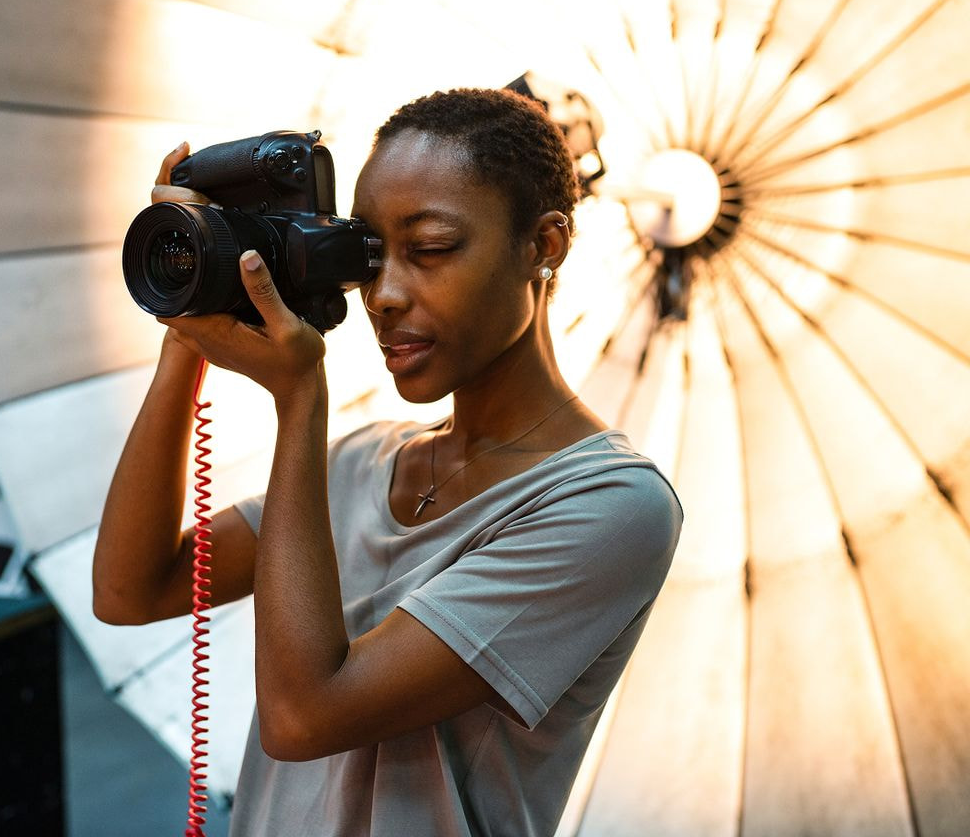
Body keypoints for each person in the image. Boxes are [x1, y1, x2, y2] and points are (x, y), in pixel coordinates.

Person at [93, 88, 683, 836]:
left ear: (544, 246)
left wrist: (299, 398)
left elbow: (304, 716)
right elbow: (128, 589)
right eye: (368, 255)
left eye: (431, 249)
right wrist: (187, 329)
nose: (385, 296)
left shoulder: (610, 507)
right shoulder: (360, 464)